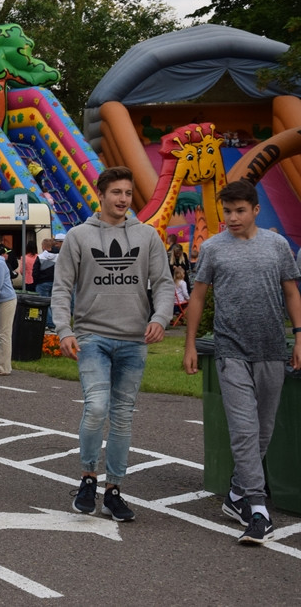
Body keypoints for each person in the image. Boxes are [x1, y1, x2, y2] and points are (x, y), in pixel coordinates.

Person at [52, 166, 173, 522]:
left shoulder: (147, 236)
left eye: (127, 193)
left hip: (134, 339)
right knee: (97, 407)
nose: (122, 199)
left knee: (122, 417)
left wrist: (159, 318)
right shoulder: (78, 236)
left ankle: (114, 489)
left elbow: (164, 284)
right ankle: (88, 476)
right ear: (101, 195)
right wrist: (64, 329)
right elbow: (61, 288)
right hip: (92, 336)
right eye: (116, 192)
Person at [183, 180, 301, 545]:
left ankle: (236, 494)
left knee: (263, 430)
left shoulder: (277, 245)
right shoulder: (214, 249)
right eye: (227, 212)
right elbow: (198, 298)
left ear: (255, 210)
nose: (232, 218)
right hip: (230, 350)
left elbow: (291, 292)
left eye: (239, 211)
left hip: (271, 350)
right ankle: (257, 507)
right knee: (244, 430)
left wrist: (300, 335)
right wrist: (190, 344)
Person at [0, 243, 18, 375]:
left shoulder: (0, 263)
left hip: (6, 299)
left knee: (4, 334)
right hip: (0, 299)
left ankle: (4, 367)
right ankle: (1, 364)